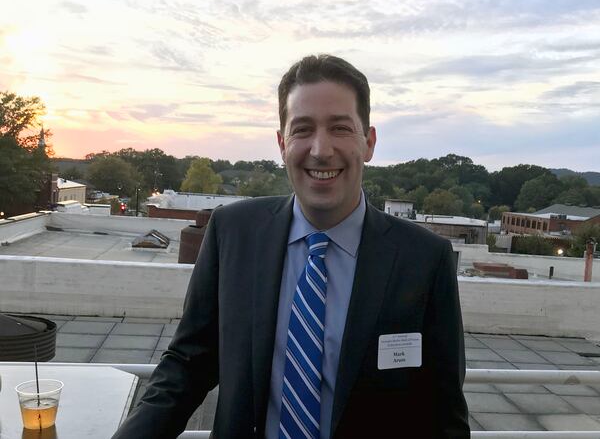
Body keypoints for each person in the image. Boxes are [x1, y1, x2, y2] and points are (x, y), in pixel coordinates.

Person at [112, 54, 470, 439]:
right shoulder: (232, 233)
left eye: (340, 128)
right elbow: (187, 364)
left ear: (368, 142)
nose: (320, 149)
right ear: (282, 143)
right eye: (303, 129)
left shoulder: (423, 259)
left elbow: (442, 412)